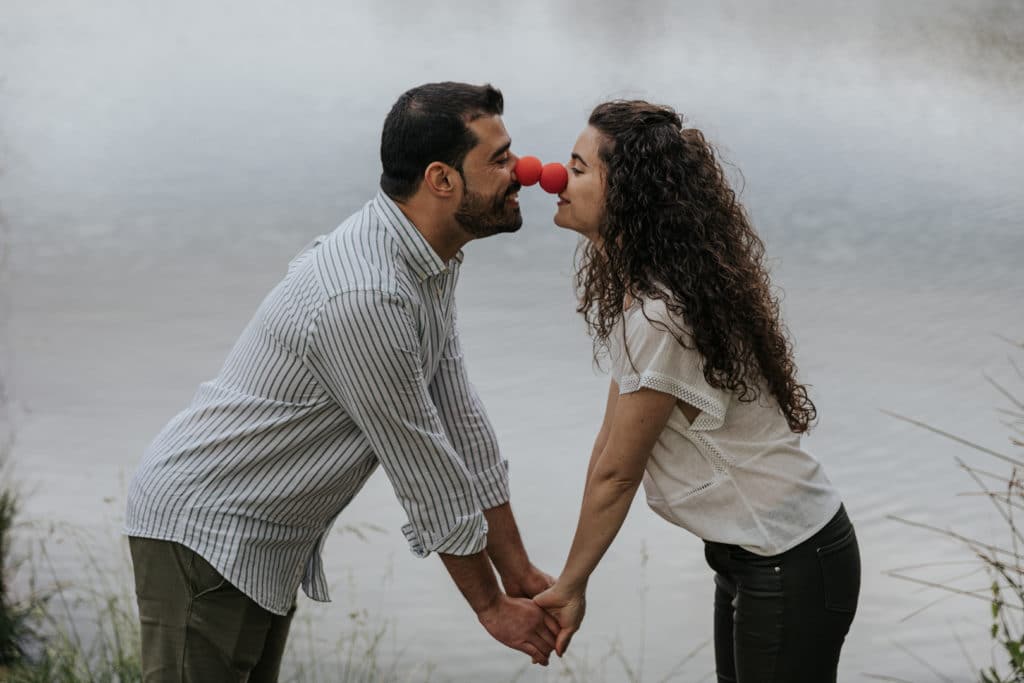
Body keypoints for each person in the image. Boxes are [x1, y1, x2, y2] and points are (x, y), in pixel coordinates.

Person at [124, 81, 557, 682]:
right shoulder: (367, 295)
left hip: (261, 542)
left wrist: (520, 573)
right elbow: (425, 467)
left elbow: (462, 425)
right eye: (500, 158)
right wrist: (489, 606)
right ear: (441, 179)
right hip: (204, 533)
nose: (524, 172)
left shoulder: (428, 261)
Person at [533, 100, 861, 683]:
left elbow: (618, 475)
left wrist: (572, 584)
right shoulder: (644, 298)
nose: (555, 177)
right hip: (755, 558)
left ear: (627, 190)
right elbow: (607, 446)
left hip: (789, 557)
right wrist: (567, 579)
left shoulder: (662, 317)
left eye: (578, 168)